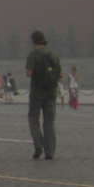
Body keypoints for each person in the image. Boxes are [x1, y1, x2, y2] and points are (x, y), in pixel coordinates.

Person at [25, 30, 62, 160]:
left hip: (37, 92)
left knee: (33, 119)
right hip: (51, 92)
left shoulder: (33, 55)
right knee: (49, 122)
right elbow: (60, 74)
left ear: (33, 41)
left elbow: (29, 73)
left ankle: (38, 145)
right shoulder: (53, 55)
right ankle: (50, 151)